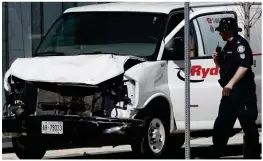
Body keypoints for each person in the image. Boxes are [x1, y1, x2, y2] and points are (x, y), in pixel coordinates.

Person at [211, 17, 260, 159]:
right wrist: (217, 59)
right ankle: (216, 154)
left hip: (243, 94)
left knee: (248, 126)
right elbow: (224, 67)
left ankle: (253, 157)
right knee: (221, 125)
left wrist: (230, 84)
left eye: (222, 31)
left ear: (229, 30)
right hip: (229, 95)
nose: (220, 33)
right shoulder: (227, 46)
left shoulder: (240, 45)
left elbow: (244, 66)